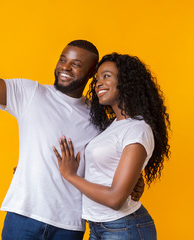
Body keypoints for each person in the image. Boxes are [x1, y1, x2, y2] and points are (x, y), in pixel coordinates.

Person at [0, 19, 144, 240]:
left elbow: (116, 157)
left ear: (92, 72)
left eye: (76, 64)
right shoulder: (30, 93)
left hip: (69, 225)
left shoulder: (98, 117)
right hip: (23, 216)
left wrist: (137, 181)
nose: (65, 67)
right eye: (63, 59)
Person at [53, 53, 170, 239]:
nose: (98, 83)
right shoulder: (114, 125)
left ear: (125, 81)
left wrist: (70, 176)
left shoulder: (136, 129)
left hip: (123, 226)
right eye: (97, 78)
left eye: (106, 76)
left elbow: (115, 199)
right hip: (99, 226)